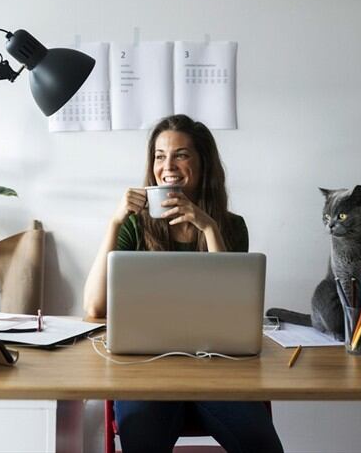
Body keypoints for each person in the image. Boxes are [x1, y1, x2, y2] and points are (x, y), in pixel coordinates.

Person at [83, 115, 284, 453]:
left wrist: (209, 228)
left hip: (216, 372)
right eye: (160, 156)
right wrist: (114, 223)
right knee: (141, 438)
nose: (168, 166)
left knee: (263, 446)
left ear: (203, 163)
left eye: (181, 155)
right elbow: (93, 306)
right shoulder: (134, 225)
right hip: (147, 372)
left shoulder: (231, 227)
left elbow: (232, 309)